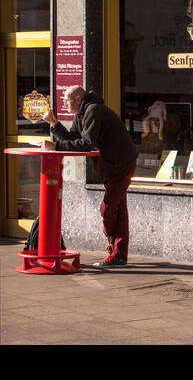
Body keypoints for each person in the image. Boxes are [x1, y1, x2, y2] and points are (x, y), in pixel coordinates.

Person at [44, 86, 138, 269]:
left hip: (121, 164)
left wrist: (55, 146)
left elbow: (86, 144)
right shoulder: (82, 113)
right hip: (112, 165)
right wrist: (55, 125)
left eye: (67, 100)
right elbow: (73, 138)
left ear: (78, 99)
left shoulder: (93, 110)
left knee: (108, 208)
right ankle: (118, 255)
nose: (64, 103)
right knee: (118, 210)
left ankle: (115, 251)